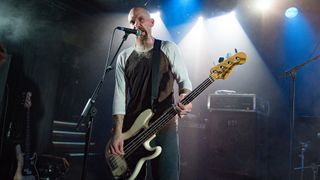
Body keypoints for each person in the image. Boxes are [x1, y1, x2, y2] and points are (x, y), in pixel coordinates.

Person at [106, 7, 193, 180]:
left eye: (141, 19)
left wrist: (185, 97)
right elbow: (119, 96)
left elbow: (184, 81)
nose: (136, 24)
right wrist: (117, 133)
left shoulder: (168, 48)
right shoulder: (124, 56)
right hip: (131, 130)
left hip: (164, 126)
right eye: (132, 21)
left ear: (151, 22)